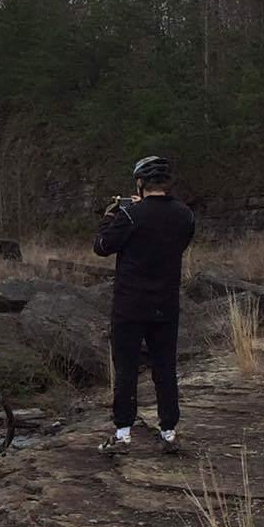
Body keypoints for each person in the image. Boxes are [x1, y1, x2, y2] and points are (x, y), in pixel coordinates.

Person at [94, 154, 195, 449]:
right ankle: (169, 432)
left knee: (126, 368)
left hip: (130, 305)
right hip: (166, 304)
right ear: (167, 183)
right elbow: (181, 242)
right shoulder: (185, 215)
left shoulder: (129, 215)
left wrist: (110, 216)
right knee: (165, 368)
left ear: (140, 184)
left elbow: (102, 247)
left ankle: (123, 433)